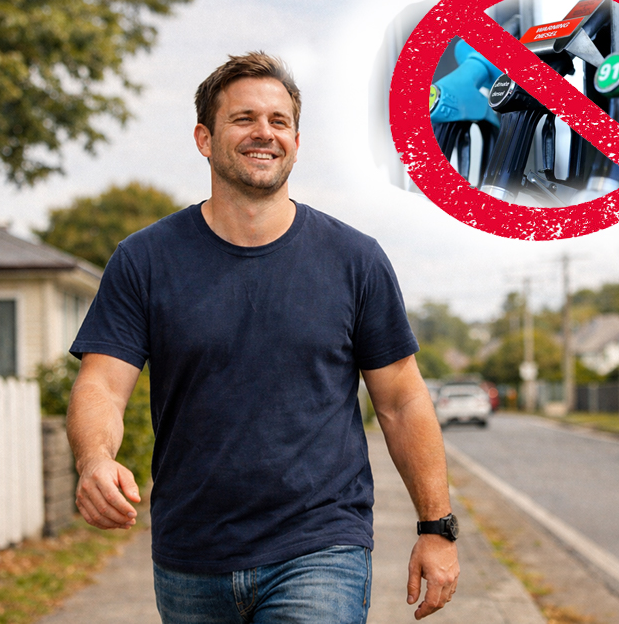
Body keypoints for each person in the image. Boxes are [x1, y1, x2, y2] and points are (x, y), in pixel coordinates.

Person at [66, 52, 458, 623]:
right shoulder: (145, 260)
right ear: (204, 138)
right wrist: (95, 459)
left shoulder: (355, 260)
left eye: (279, 121)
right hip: (190, 553)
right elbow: (101, 384)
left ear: (297, 140)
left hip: (321, 545)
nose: (264, 133)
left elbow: (401, 401)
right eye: (243, 118)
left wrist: (436, 526)